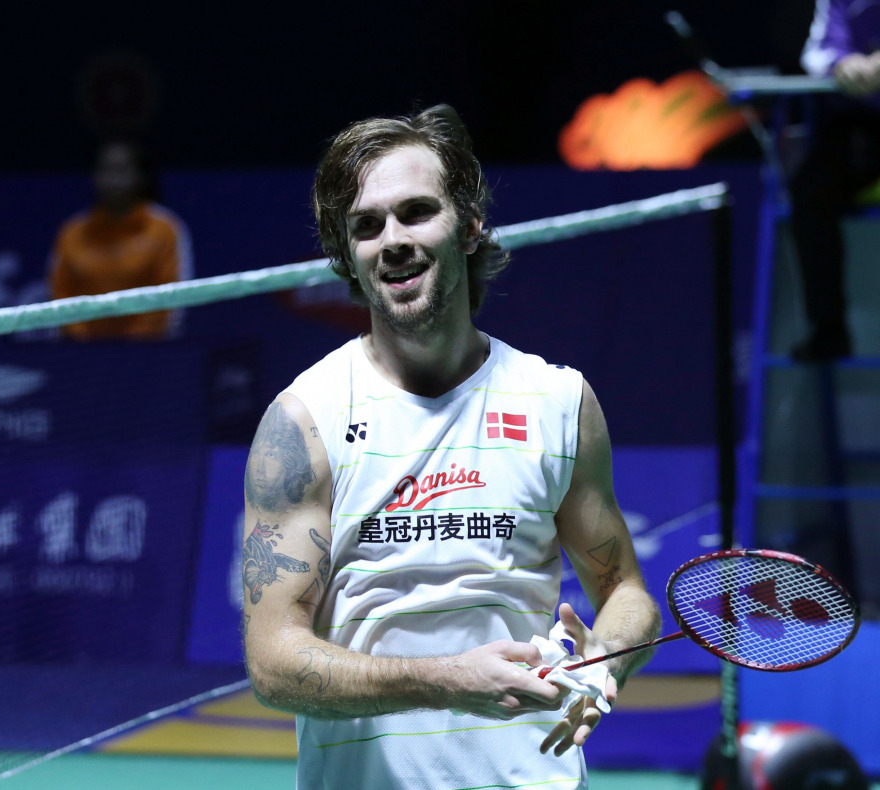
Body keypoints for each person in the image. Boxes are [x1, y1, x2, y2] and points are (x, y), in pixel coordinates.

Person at [241, 105, 661, 789]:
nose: (393, 239)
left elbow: (626, 592)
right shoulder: (304, 421)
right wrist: (445, 681)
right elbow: (273, 663)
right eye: (367, 225)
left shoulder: (556, 402)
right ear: (346, 252)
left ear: (468, 225)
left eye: (416, 212)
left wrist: (605, 659)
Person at [790, 0, 880, 360]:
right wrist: (843, 64)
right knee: (810, 190)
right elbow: (819, 50)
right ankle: (829, 329)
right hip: (862, 135)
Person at [48, 138, 192, 340]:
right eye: (106, 169)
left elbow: (171, 299)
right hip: (82, 353)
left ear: (140, 176)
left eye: (122, 169)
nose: (114, 179)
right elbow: (60, 297)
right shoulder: (72, 232)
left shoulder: (165, 229)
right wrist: (82, 342)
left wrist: (132, 347)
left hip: (149, 352)